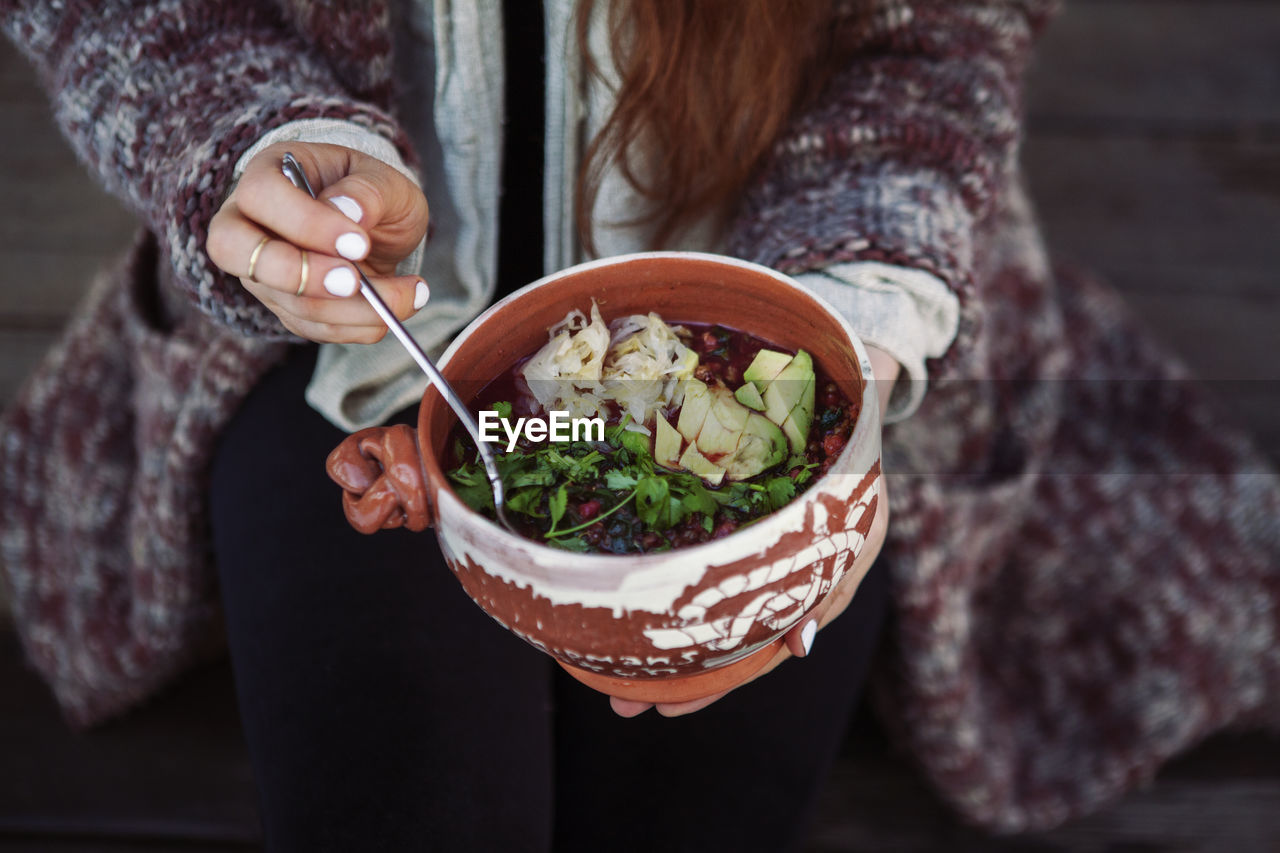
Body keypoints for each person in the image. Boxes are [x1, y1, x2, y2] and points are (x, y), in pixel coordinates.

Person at [2, 0, 1277, 850]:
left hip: (801, 298)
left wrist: (833, 383)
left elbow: (934, 30)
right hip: (341, 348)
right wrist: (257, 140)